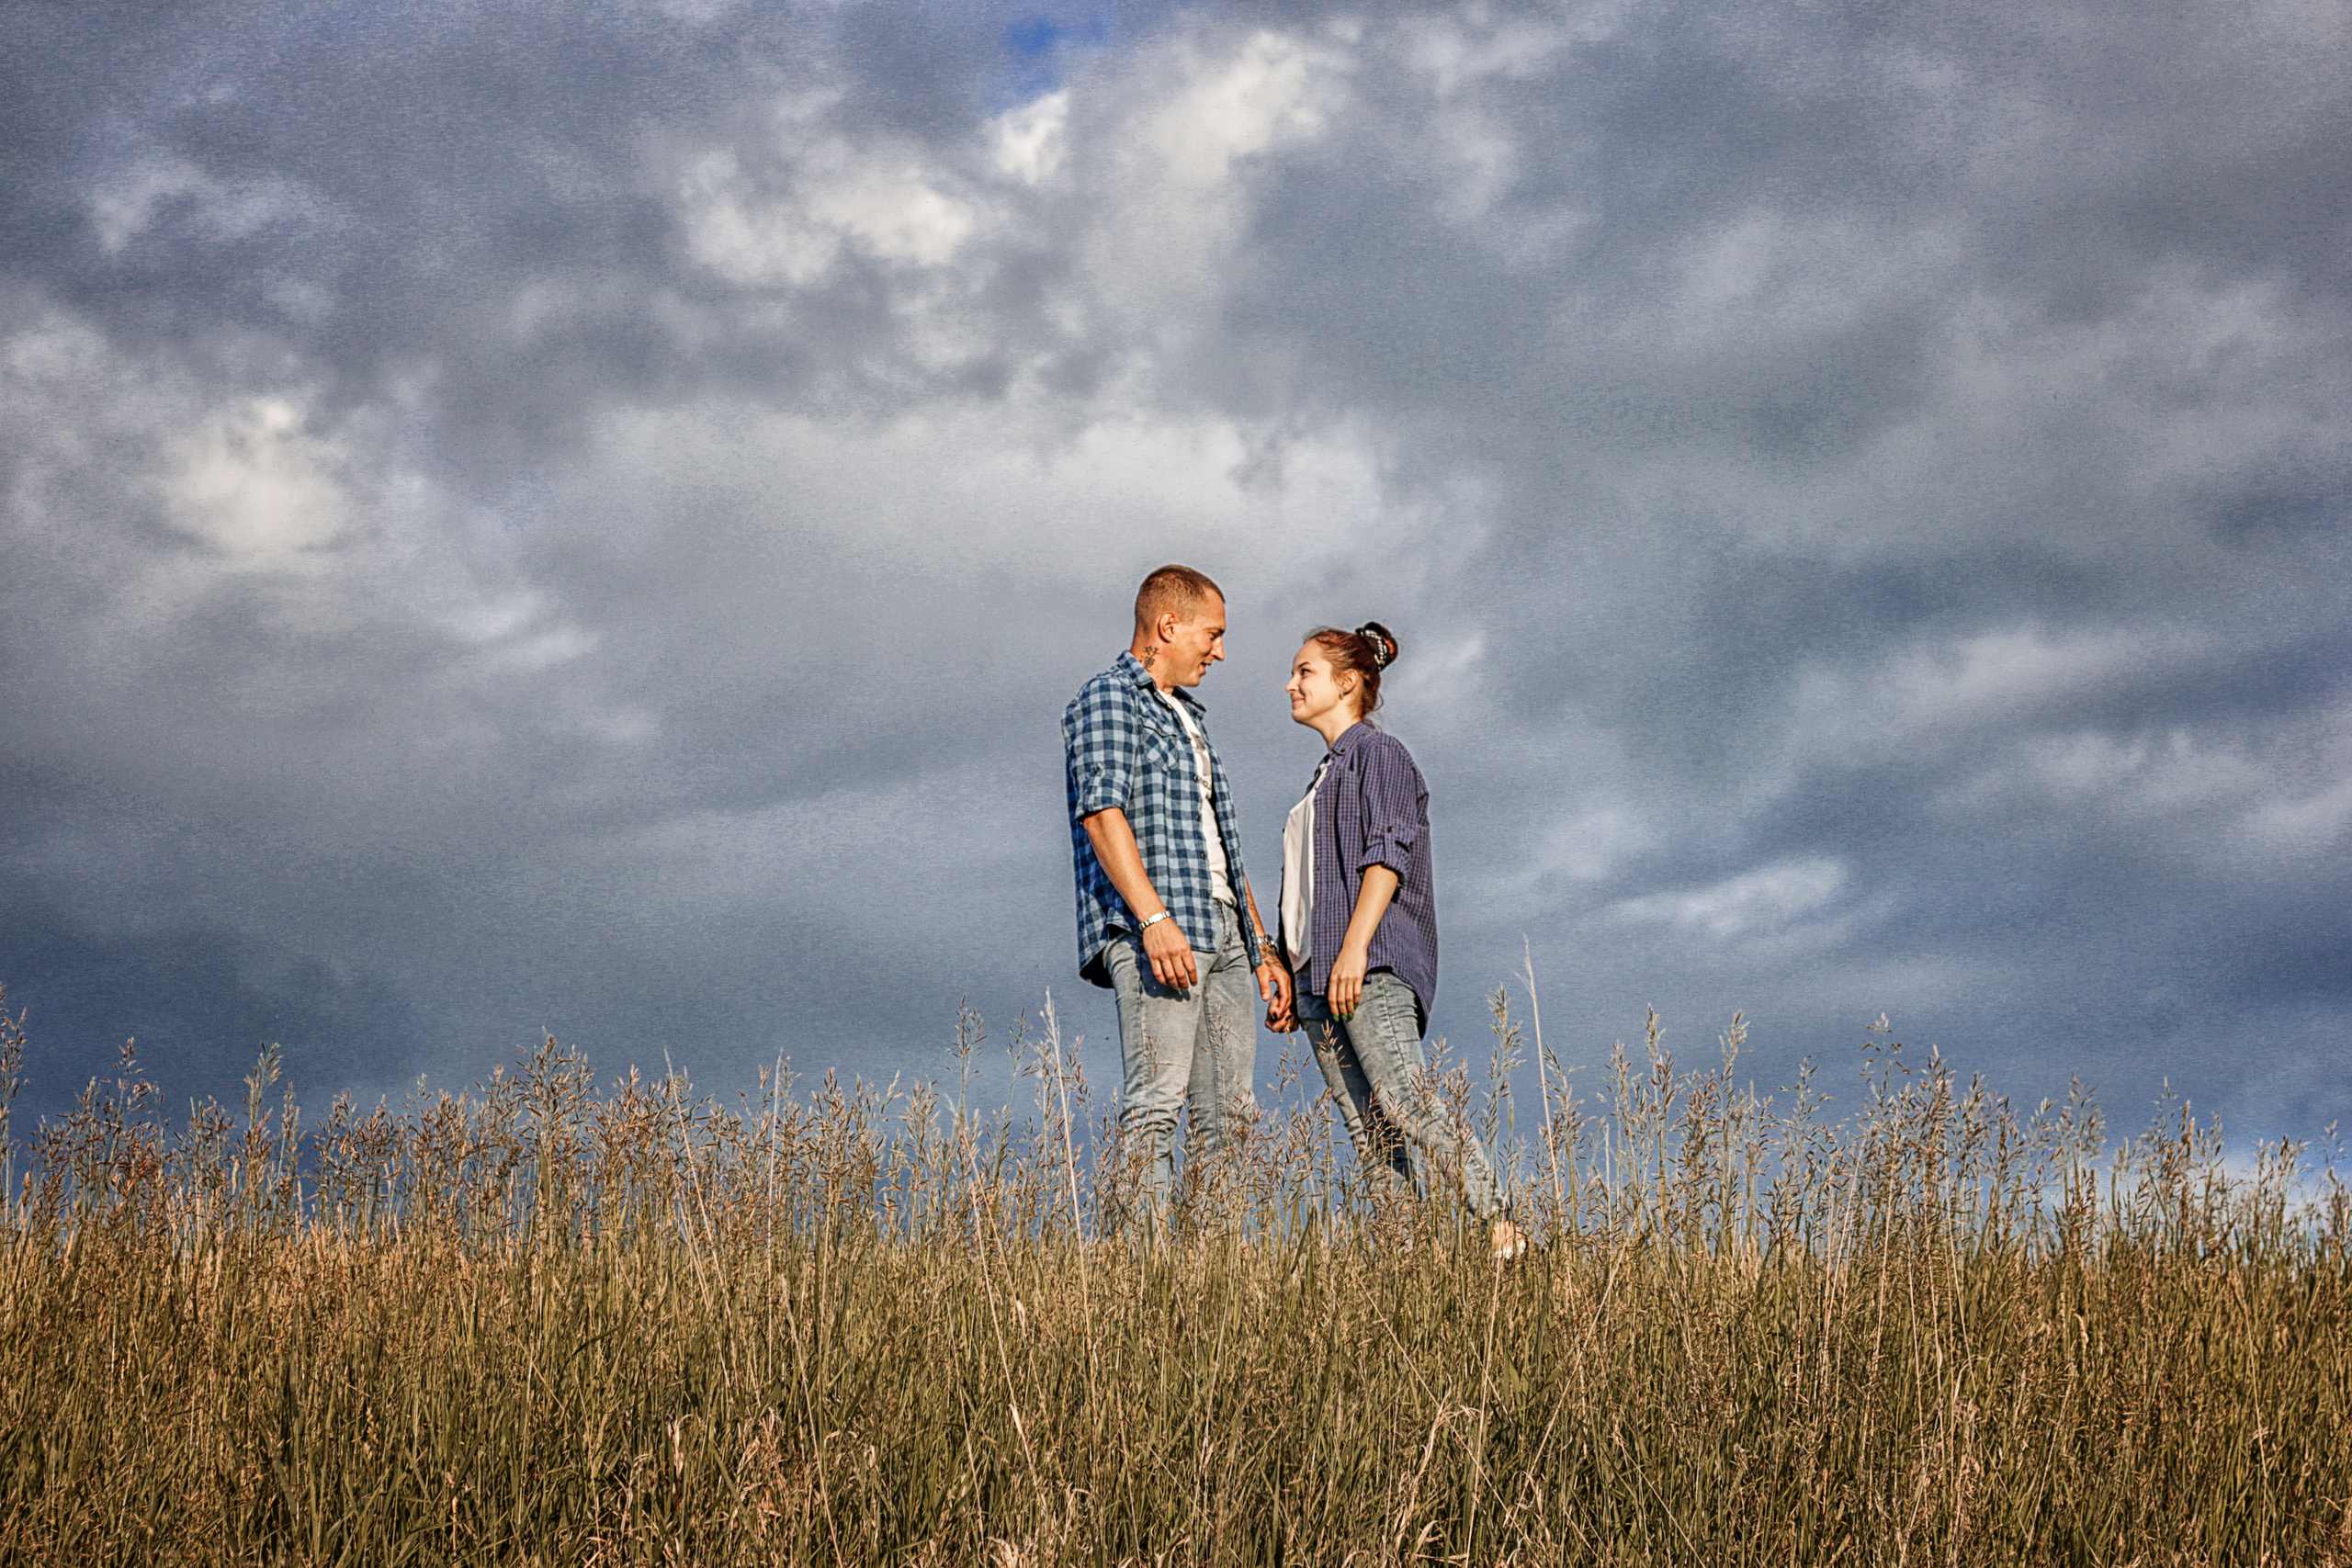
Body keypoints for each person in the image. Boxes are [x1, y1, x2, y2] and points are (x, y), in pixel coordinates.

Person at [1276, 622, 1528, 1261]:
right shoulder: (1323, 774)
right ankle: (1406, 1261)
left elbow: (1390, 851)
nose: (1291, 684)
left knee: (1405, 1098)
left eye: (1305, 671)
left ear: (1349, 681)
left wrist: (1356, 946)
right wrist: (1285, 967)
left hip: (1366, 964)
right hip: (1317, 979)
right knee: (1370, 1130)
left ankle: (1504, 1225)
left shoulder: (1378, 755)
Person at [1065, 565, 1291, 1228]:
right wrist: (1154, 919)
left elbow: (1219, 841)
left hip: (1223, 931)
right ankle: (1143, 1285)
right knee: (1158, 1103)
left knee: (1230, 1114)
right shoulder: (1108, 698)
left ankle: (1212, 1287)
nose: (1219, 651)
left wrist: (1262, 951)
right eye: (1212, 634)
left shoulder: (1190, 719)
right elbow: (1102, 813)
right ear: (1168, 626)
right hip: (1162, 931)